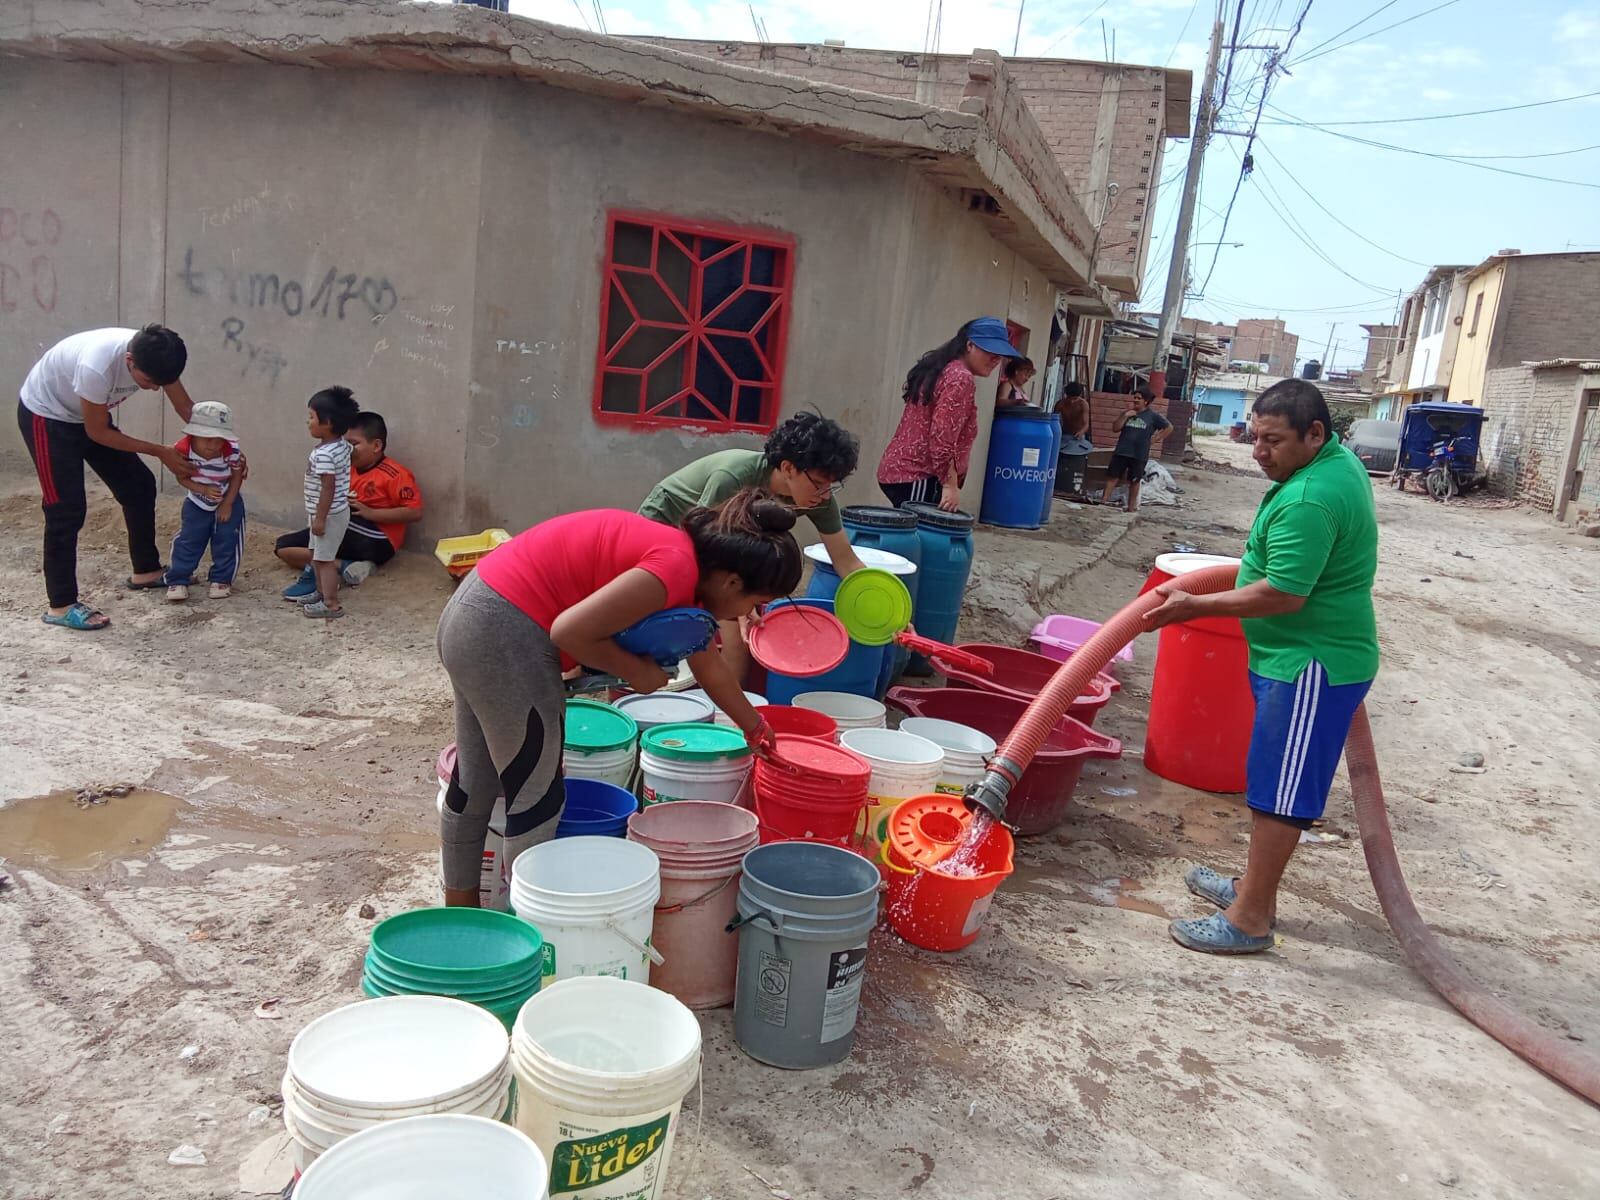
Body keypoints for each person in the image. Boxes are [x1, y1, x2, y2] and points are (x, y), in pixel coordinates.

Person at [435, 491, 800, 906]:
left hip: (472, 614)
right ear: (732, 581)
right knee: (536, 799)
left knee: (477, 781)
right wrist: (637, 672)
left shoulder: (686, 566)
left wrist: (755, 727)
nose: (743, 616)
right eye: (754, 603)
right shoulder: (674, 570)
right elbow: (568, 632)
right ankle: (531, 934)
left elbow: (708, 664)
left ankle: (459, 912)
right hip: (505, 633)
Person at [1146, 379, 1379, 955]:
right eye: (1255, 437)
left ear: (1315, 434)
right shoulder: (1336, 463)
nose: (1258, 452)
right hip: (1297, 658)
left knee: (1280, 793)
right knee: (1272, 778)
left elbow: (1283, 593)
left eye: (1273, 441)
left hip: (1310, 665)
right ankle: (1252, 888)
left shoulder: (1309, 498)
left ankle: (1249, 919)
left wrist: (1194, 605)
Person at [640, 411, 864, 679]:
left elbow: (846, 560)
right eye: (818, 484)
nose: (825, 494)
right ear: (788, 467)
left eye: (831, 486)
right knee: (657, 609)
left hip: (719, 547)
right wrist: (741, 606)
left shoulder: (819, 499)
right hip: (670, 524)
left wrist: (883, 606)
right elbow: (705, 543)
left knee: (735, 632)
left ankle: (723, 712)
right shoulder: (733, 477)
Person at [16, 324, 199, 631]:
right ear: (129, 361)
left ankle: (146, 571)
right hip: (47, 417)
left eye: (162, 382)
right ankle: (61, 605)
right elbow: (97, 432)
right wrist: (159, 451)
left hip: (86, 417)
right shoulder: (96, 366)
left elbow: (185, 407)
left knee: (139, 485)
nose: (156, 388)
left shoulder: (158, 355)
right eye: (149, 382)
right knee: (65, 509)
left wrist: (225, 446)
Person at [879, 317, 1022, 511]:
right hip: (918, 474)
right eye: (990, 351)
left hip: (902, 471)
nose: (996, 359)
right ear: (970, 345)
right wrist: (949, 484)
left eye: (1000, 354)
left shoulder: (944, 368)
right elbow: (942, 437)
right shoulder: (960, 378)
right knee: (920, 537)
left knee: (909, 536)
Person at [277, 411, 423, 597]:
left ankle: (317, 580)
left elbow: (415, 512)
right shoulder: (345, 466)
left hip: (378, 539)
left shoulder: (395, 474)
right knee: (284, 547)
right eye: (344, 444)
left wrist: (371, 513)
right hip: (348, 530)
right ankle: (346, 566)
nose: (348, 450)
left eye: (354, 444)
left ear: (376, 445)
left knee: (329, 526)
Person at [162, 402, 245, 602]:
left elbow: (237, 475)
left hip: (228, 498)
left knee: (227, 538)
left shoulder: (231, 451)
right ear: (193, 435)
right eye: (206, 439)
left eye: (219, 440)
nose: (213, 445)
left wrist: (228, 503)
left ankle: (221, 579)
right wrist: (203, 489)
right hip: (196, 502)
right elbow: (181, 478)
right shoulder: (182, 450)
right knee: (189, 540)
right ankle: (178, 579)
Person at [299, 386, 361, 620]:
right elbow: (353, 458)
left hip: (328, 514)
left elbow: (328, 487)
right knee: (317, 555)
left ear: (328, 423)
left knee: (324, 561)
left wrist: (321, 519)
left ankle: (331, 604)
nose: (308, 422)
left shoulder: (324, 454)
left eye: (312, 417)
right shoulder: (342, 446)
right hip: (327, 512)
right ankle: (320, 592)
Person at [1099, 386, 1171, 513]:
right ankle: (1103, 501)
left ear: (1146, 401)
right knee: (1112, 477)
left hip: (1139, 454)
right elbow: (1115, 428)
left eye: (1139, 398)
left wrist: (1154, 440)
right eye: (1135, 398)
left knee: (1134, 481)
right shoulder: (1127, 413)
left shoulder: (1153, 416)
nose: (1136, 400)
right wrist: (1125, 416)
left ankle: (1131, 508)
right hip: (1122, 451)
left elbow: (1169, 428)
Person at [1055, 382, 1094, 496]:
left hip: (1078, 437)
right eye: (1070, 399)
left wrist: (1081, 432)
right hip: (1065, 435)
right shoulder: (1061, 404)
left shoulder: (1083, 404)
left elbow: (1086, 424)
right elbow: (1055, 419)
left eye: (1075, 399)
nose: (1072, 401)